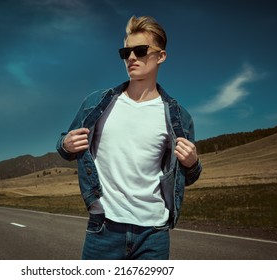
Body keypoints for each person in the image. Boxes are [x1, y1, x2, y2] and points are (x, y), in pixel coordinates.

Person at [56, 15, 202, 260]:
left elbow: (187, 177)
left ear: (161, 56)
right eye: (126, 52)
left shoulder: (179, 117)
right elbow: (64, 147)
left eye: (140, 50)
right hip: (103, 229)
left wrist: (192, 163)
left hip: (153, 235)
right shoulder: (96, 103)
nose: (131, 57)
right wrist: (66, 143)